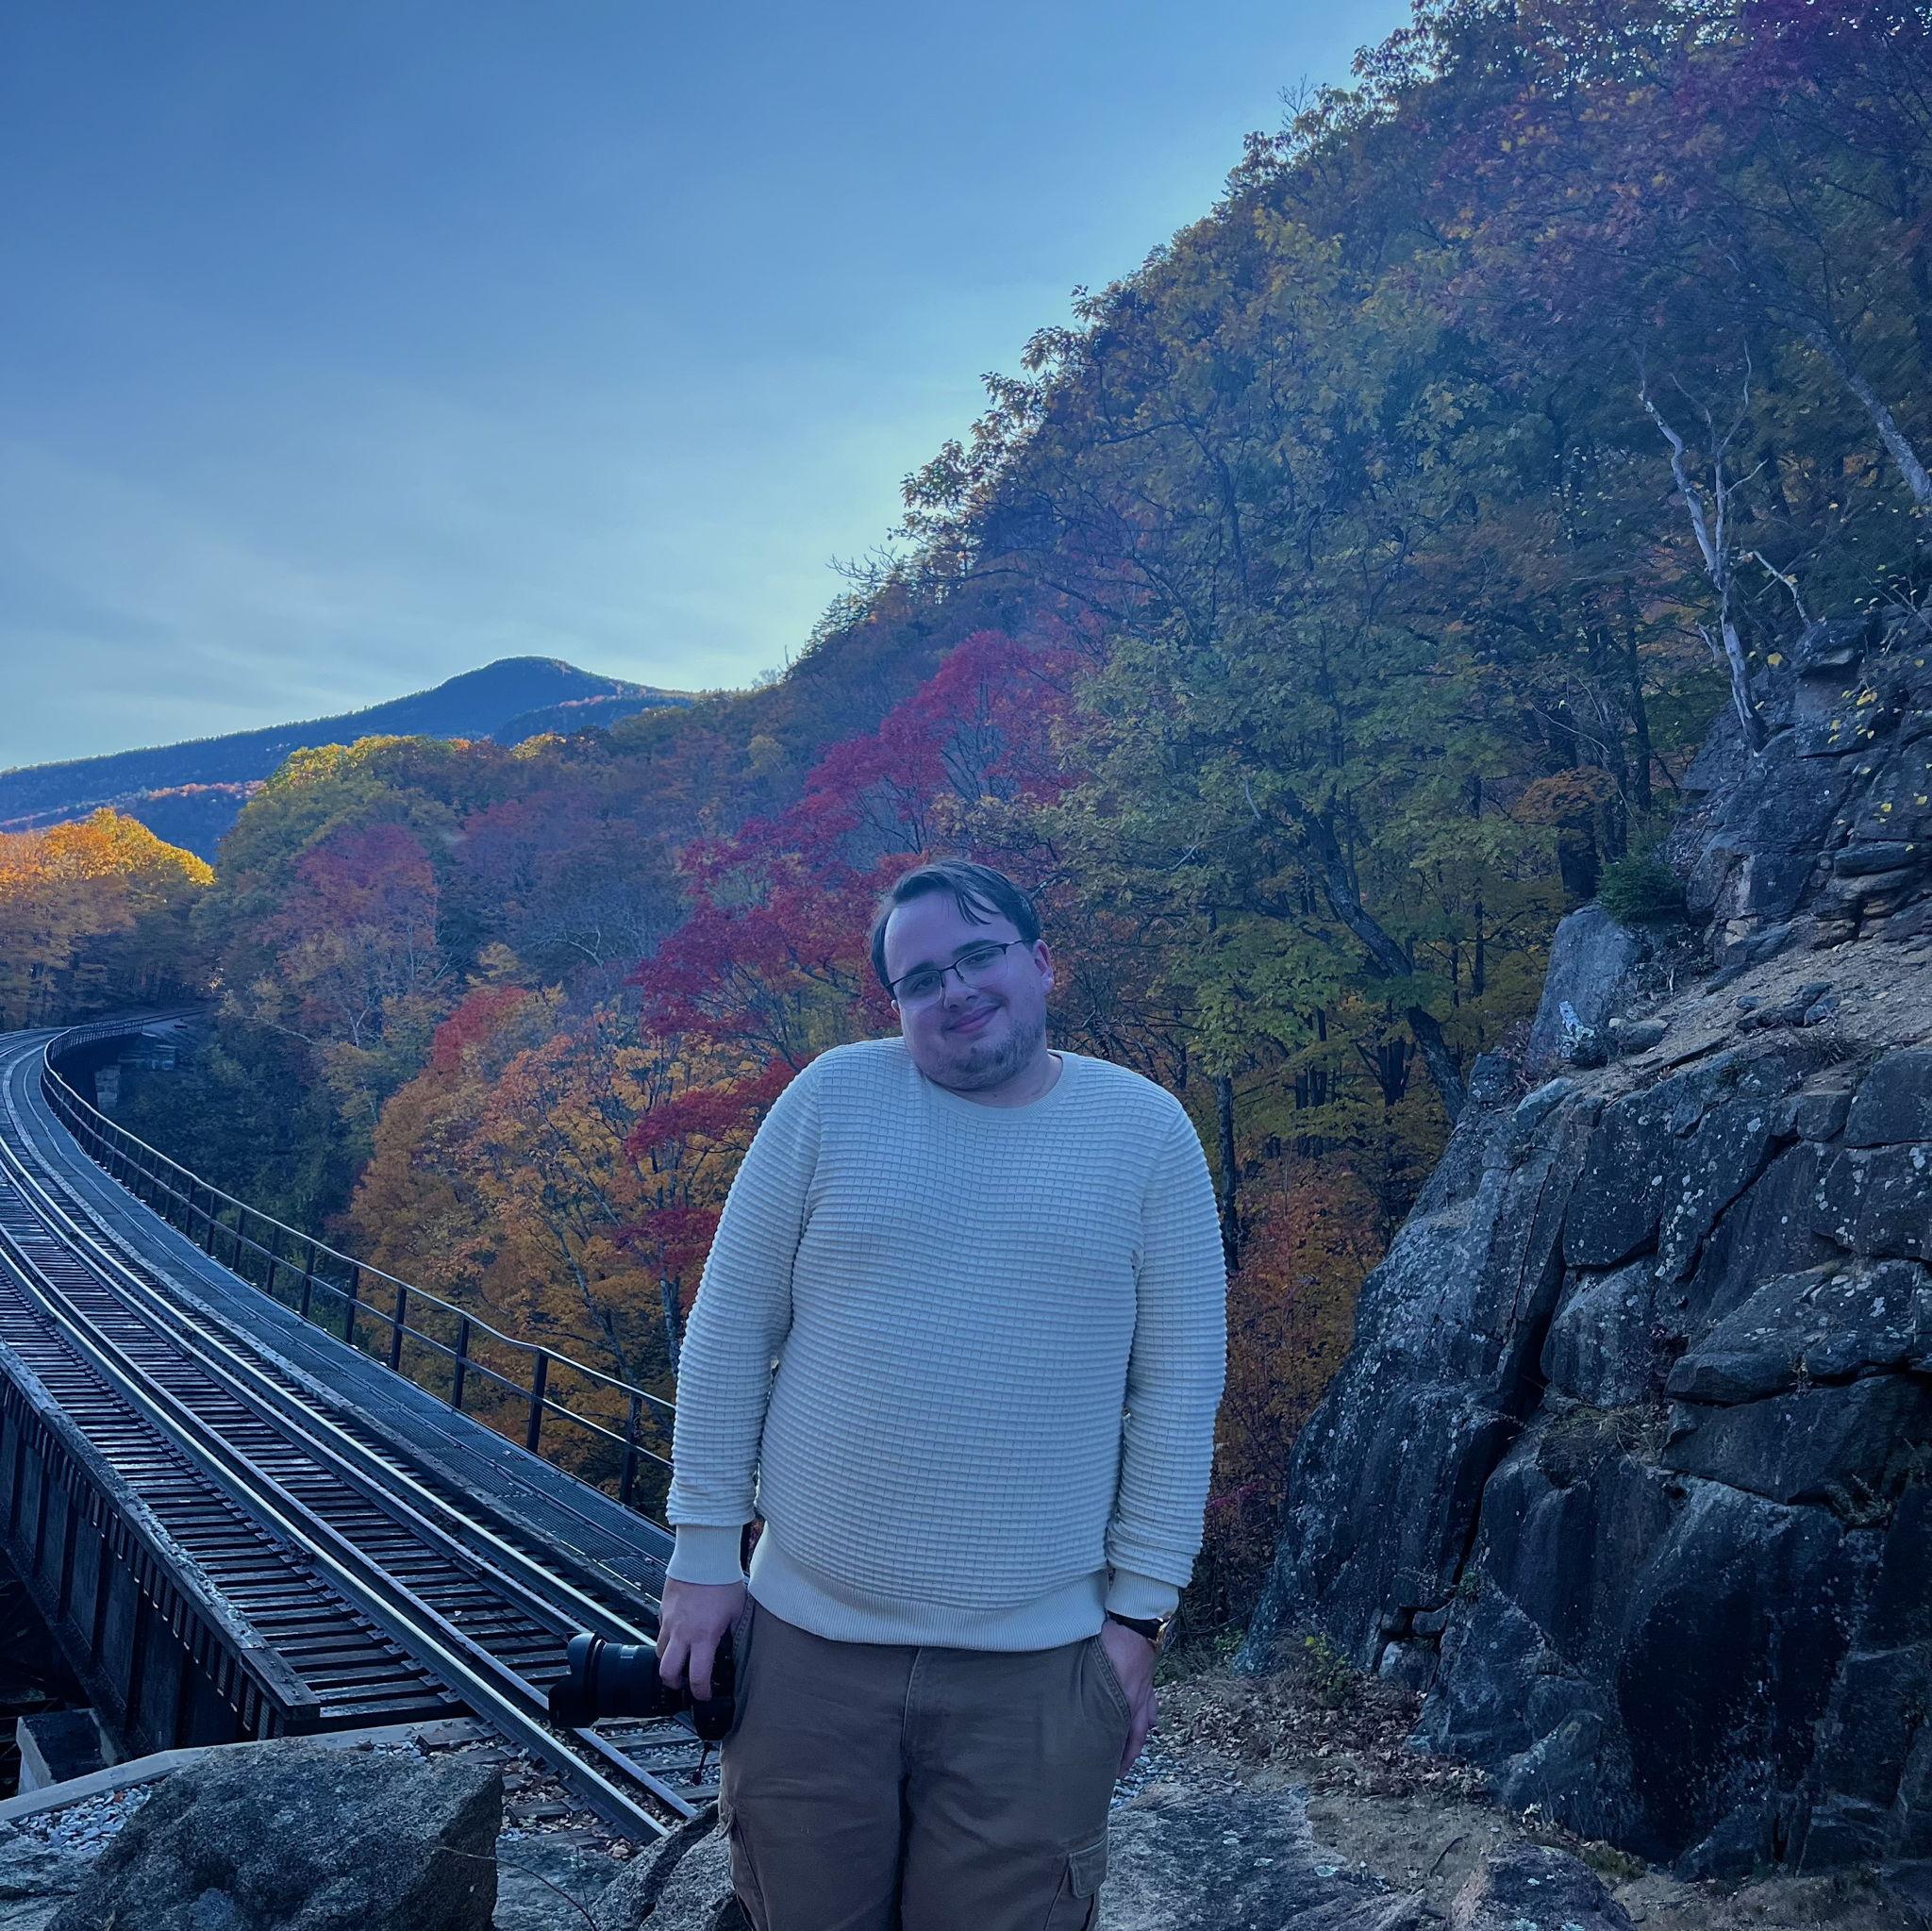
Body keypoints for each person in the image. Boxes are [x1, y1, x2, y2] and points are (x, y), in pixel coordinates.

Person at [656, 857, 1227, 1931]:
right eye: (921, 978)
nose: (954, 989)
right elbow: (730, 1332)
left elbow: (1178, 1389)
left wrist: (1137, 1622)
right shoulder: (828, 1099)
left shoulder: (1145, 1136)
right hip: (803, 1649)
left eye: (978, 956)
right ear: (897, 1004)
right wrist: (700, 1554)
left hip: (1037, 1671)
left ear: (1040, 962)